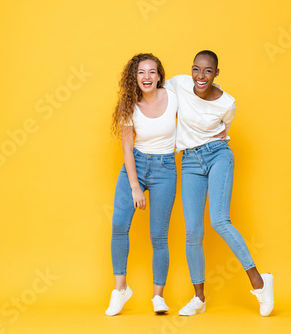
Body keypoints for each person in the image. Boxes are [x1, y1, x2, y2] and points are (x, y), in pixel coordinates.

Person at [163, 50, 274, 316]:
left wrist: (214, 146)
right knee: (193, 232)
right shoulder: (179, 84)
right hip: (189, 161)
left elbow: (225, 129)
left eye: (207, 71)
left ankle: (259, 282)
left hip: (218, 155)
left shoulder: (227, 103)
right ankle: (199, 299)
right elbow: (154, 92)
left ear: (216, 73)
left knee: (219, 220)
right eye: (196, 69)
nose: (200, 76)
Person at [106, 53, 177, 316]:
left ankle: (158, 296)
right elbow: (126, 148)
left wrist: (220, 128)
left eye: (151, 72)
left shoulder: (174, 97)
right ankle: (120, 289)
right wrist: (135, 186)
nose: (146, 77)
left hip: (165, 168)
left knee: (159, 235)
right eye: (141, 73)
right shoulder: (129, 105)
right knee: (118, 225)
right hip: (135, 165)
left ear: (159, 75)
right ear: (134, 77)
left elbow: (200, 106)